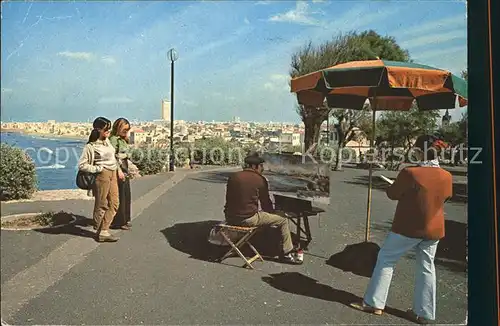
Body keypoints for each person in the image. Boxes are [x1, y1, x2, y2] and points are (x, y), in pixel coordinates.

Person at [350, 134, 452, 324]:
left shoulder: (410, 173)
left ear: (420, 151)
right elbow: (445, 197)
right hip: (434, 230)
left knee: (386, 259)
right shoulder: (447, 176)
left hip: (408, 228)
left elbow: (393, 193)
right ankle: (423, 313)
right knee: (427, 267)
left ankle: (374, 303)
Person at [223, 153, 302, 264]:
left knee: (263, 217)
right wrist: (277, 212)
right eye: (261, 166)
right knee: (283, 219)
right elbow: (266, 205)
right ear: (255, 166)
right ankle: (287, 253)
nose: (263, 169)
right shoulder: (259, 179)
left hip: (230, 217)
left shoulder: (233, 176)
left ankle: (257, 243)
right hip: (248, 219)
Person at [78, 117, 125, 242]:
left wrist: (118, 170)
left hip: (113, 173)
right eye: (106, 130)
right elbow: (82, 165)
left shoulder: (108, 142)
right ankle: (102, 231)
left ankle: (103, 229)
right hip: (102, 175)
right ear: (98, 130)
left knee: (115, 203)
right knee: (102, 204)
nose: (108, 132)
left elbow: (113, 158)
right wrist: (97, 169)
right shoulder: (90, 147)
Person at [109, 118, 132, 230]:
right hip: (119, 167)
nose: (126, 131)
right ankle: (119, 221)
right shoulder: (114, 139)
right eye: (124, 129)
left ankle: (125, 219)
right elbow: (112, 156)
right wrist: (118, 170)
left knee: (126, 194)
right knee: (120, 195)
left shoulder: (123, 140)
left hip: (124, 166)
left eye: (127, 129)